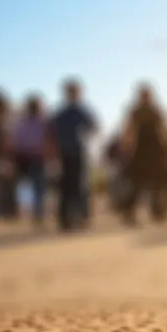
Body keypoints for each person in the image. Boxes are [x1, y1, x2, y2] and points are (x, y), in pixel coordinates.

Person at [49, 78, 97, 230]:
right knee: (73, 184)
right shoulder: (71, 112)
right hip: (71, 150)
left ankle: (75, 217)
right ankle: (73, 218)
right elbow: (93, 126)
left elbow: (93, 126)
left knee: (74, 184)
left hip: (72, 150)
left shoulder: (64, 112)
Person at [121, 84, 167, 225]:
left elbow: (162, 129)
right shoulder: (137, 111)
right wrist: (128, 147)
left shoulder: (154, 110)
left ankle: (158, 211)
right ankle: (129, 210)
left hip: (154, 149)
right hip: (142, 150)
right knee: (139, 183)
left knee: (157, 183)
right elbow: (130, 130)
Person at [11, 95, 48, 227]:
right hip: (26, 158)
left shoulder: (41, 122)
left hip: (34, 158)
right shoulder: (24, 122)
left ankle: (37, 213)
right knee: (27, 187)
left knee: (36, 187)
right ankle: (28, 212)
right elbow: (15, 142)